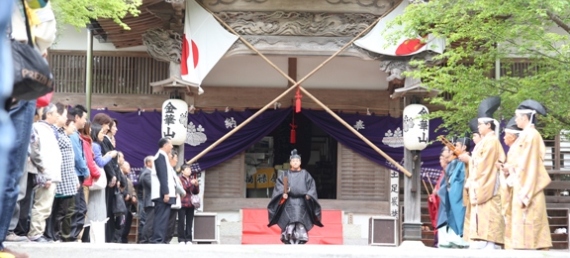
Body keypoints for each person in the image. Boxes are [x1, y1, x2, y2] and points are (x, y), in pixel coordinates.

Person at [501, 100, 552, 250]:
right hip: (521, 181)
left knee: (530, 220)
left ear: (524, 118)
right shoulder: (527, 135)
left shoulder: (531, 135)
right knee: (523, 221)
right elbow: (520, 162)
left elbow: (529, 164)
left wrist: (512, 170)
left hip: (528, 185)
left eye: (517, 117)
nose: (516, 120)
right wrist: (510, 168)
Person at [464, 96, 506, 250]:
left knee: (489, 211)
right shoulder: (485, 141)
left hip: (487, 182)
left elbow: (485, 164)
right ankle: (482, 237)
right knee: (482, 212)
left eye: (481, 124)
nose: (479, 127)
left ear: (489, 125)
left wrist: (471, 161)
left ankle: (490, 239)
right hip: (481, 181)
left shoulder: (492, 141)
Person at [267, 149, 323, 244]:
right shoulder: (285, 174)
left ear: (300, 162)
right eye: (293, 161)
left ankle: (301, 238)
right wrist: (283, 193)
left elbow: (312, 186)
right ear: (290, 162)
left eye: (297, 161)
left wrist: (309, 195)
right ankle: (288, 237)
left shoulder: (305, 174)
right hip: (289, 202)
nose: (295, 162)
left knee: (301, 221)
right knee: (289, 221)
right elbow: (279, 186)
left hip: (302, 202)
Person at [27, 103, 61, 243]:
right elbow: (38, 152)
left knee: (46, 206)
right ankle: (35, 233)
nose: (58, 116)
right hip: (45, 172)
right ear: (48, 115)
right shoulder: (39, 128)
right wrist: (44, 172)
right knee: (42, 205)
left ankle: (39, 232)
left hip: (50, 173)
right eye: (56, 113)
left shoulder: (48, 129)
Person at [495, 116, 521, 249]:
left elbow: (520, 167)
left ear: (513, 136)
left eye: (506, 135)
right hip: (511, 186)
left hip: (516, 188)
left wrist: (507, 168)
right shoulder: (513, 149)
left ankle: (513, 244)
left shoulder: (518, 148)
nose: (504, 138)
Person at [65, 105, 89, 242]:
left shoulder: (75, 133)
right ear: (77, 117)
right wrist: (86, 171)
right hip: (75, 174)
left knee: (78, 207)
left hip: (75, 174)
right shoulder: (73, 134)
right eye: (84, 118)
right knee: (78, 208)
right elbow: (78, 157)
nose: (85, 121)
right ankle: (72, 235)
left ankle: (72, 235)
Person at [458, 118, 481, 243]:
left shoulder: (487, 145)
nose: (474, 138)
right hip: (472, 187)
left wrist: (469, 160)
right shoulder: (477, 148)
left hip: (481, 188)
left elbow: (483, 165)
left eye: (475, 135)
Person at [149, 137, 175, 244]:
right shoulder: (160, 157)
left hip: (163, 192)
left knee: (164, 217)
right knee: (161, 217)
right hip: (162, 193)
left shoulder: (163, 156)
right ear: (164, 145)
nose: (172, 146)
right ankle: (157, 239)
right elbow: (162, 176)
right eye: (170, 144)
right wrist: (166, 192)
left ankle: (160, 239)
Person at [178, 164, 199, 245]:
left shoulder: (191, 179)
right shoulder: (180, 179)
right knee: (181, 221)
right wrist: (191, 182)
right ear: (182, 171)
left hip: (191, 203)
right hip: (182, 202)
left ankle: (189, 239)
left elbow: (195, 192)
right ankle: (181, 239)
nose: (189, 171)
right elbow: (183, 188)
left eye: (190, 169)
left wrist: (196, 186)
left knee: (189, 222)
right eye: (187, 169)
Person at [138, 156, 154, 243]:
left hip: (151, 200)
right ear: (148, 163)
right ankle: (144, 239)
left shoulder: (150, 172)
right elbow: (153, 186)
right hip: (149, 200)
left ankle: (148, 239)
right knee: (148, 222)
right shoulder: (147, 173)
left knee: (150, 222)